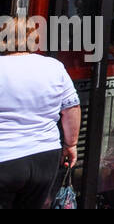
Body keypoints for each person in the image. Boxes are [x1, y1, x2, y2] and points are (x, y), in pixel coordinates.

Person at [0, 17, 80, 209]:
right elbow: (71, 109)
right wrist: (71, 144)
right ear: (35, 39)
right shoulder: (54, 66)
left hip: (5, 156)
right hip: (45, 157)